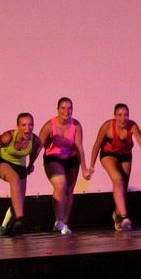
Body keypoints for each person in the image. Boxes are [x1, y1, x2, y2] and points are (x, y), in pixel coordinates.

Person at [89, 103, 141, 231]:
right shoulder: (107, 126)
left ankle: (118, 217)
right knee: (117, 179)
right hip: (108, 155)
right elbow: (96, 145)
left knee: (123, 187)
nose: (123, 118)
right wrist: (91, 166)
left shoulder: (132, 126)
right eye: (120, 115)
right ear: (115, 116)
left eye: (126, 115)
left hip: (125, 156)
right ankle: (124, 216)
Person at [0, 113, 42, 236]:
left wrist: (30, 165)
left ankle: (4, 226)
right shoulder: (8, 137)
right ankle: (20, 219)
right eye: (23, 125)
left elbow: (33, 154)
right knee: (14, 178)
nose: (27, 128)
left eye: (30, 125)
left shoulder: (35, 140)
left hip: (20, 167)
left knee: (18, 200)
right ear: (18, 126)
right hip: (2, 162)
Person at [38, 97, 91, 235]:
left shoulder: (76, 125)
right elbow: (38, 146)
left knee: (69, 191)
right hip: (53, 158)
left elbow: (79, 147)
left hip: (71, 159)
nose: (66, 111)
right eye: (63, 108)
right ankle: (59, 220)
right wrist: (30, 164)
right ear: (58, 109)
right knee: (60, 184)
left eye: (69, 108)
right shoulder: (49, 126)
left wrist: (84, 168)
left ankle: (64, 224)